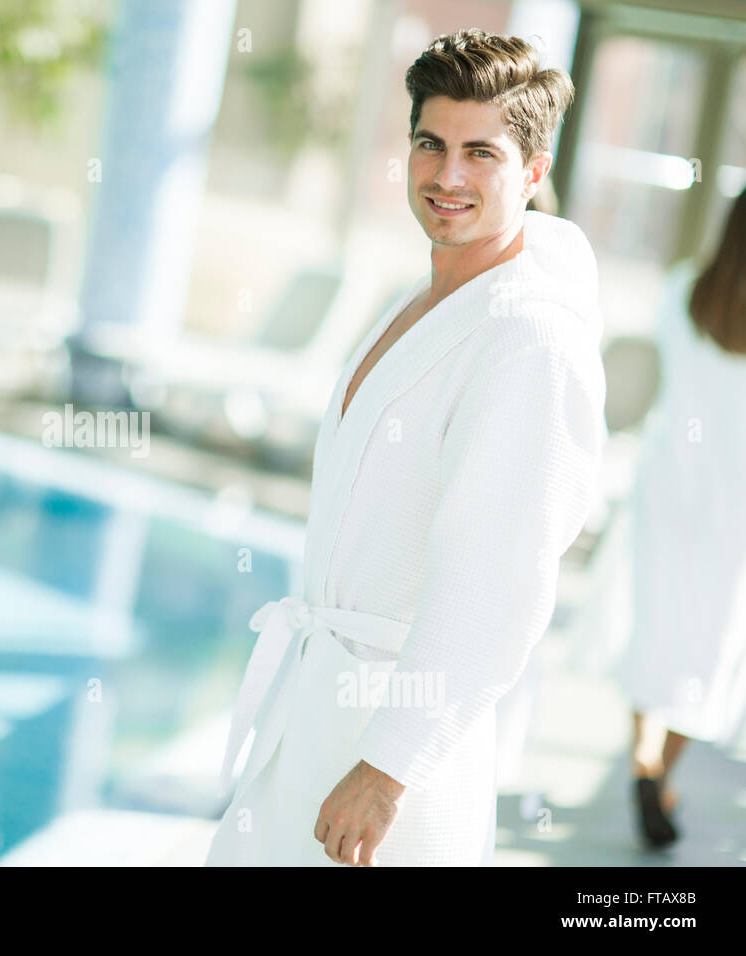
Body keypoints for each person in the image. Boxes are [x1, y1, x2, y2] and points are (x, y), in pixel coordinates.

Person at [205, 29, 607, 866]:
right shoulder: (418, 299)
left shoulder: (529, 339)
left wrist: (388, 768)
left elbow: (498, 582)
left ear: (533, 173)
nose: (447, 176)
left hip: (396, 749)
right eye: (430, 144)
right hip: (317, 707)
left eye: (481, 153)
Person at [622, 187, 746, 849]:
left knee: (655, 632)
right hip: (735, 507)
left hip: (669, 487)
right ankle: (659, 775)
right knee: (710, 652)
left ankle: (641, 761)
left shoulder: (680, 293)